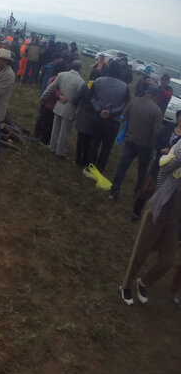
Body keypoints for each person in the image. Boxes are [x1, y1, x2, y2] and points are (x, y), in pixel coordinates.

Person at [119, 139, 181, 304]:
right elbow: (165, 168)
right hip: (158, 210)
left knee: (167, 261)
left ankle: (143, 282)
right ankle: (126, 285)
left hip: (174, 220)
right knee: (141, 251)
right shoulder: (179, 146)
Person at [108, 84, 166, 201]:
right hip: (145, 145)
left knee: (122, 167)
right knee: (142, 170)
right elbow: (156, 133)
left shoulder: (133, 102)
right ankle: (137, 193)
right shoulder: (156, 111)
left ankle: (113, 192)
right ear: (156, 95)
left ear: (147, 91)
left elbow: (123, 117)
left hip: (130, 140)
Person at [76, 61, 130, 171]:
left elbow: (91, 98)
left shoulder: (99, 81)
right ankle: (100, 169)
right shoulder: (125, 87)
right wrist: (111, 112)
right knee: (107, 147)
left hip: (97, 118)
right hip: (113, 122)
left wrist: (100, 110)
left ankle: (90, 167)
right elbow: (125, 105)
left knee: (94, 143)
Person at [43, 60, 87, 158]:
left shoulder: (61, 75)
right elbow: (79, 100)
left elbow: (51, 87)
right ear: (80, 69)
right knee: (64, 132)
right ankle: (60, 151)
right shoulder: (81, 82)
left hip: (59, 105)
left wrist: (43, 97)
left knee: (55, 128)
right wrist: (77, 113)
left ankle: (52, 147)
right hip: (70, 108)